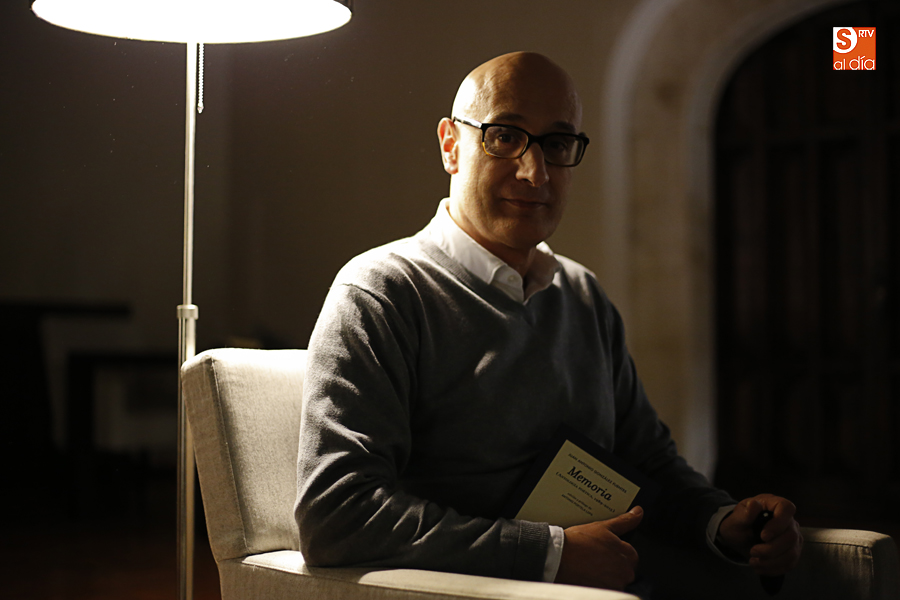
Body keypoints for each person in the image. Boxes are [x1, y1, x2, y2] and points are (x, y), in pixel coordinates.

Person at [294, 51, 802, 592]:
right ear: (451, 145)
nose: (535, 171)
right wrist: (548, 555)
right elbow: (336, 515)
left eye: (556, 145)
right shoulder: (383, 292)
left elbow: (647, 462)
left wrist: (721, 521)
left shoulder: (582, 294)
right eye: (505, 136)